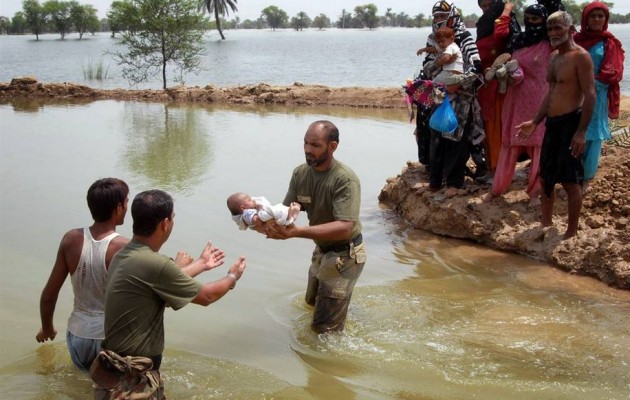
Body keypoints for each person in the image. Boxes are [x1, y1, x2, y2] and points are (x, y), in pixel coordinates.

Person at [93, 189, 246, 399]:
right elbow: (207, 296)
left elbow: (159, 288)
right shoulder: (154, 263)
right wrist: (232, 276)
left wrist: (200, 264)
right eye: (173, 218)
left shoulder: (125, 254)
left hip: (115, 371)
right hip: (133, 377)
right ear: (165, 223)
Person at [264, 120, 366, 334]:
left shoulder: (345, 180)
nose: (308, 150)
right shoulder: (300, 174)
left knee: (323, 330)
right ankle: (340, 308)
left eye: (315, 145)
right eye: (305, 144)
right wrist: (258, 216)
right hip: (322, 251)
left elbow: (345, 227)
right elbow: (285, 212)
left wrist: (297, 232)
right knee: (311, 304)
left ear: (332, 146)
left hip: (345, 255)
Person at [36, 178, 130, 371]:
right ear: (119, 207)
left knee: (83, 385)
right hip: (110, 336)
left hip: (78, 334)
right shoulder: (124, 247)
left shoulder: (71, 239)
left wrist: (47, 327)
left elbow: (49, 295)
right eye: (127, 201)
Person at [516, 11, 595, 240]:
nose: (553, 33)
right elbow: (550, 94)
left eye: (558, 28)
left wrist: (581, 132)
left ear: (571, 30)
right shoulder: (553, 58)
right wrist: (535, 121)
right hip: (552, 124)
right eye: (550, 29)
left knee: (571, 181)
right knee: (545, 178)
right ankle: (546, 224)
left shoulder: (581, 57)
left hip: (572, 123)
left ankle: (571, 233)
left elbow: (590, 96)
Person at [484, 4, 552, 207]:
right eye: (528, 18)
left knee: (539, 146)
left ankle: (535, 191)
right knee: (510, 143)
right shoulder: (517, 41)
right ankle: (497, 189)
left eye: (536, 19)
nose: (531, 23)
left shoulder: (550, 43)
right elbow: (501, 34)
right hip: (515, 99)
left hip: (540, 100)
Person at [574, 1, 625, 194]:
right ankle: (574, 176)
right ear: (585, 18)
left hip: (596, 96)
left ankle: (586, 178)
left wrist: (586, 85)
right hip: (573, 96)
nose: (596, 19)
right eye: (592, 15)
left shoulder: (609, 43)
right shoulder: (575, 40)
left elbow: (613, 73)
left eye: (600, 16)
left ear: (605, 19)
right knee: (574, 134)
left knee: (592, 137)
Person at [475, 0, 520, 184]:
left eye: (489, 5)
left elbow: (502, 33)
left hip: (497, 85)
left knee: (496, 127)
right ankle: (490, 167)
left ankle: (498, 170)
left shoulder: (503, 24)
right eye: (483, 6)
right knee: (486, 127)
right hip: (483, 85)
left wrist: (507, 10)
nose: (486, 10)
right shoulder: (483, 25)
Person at [227, 192, 301, 231]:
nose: (253, 200)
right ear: (243, 207)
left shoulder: (247, 213)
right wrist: (259, 212)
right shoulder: (247, 213)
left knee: (277, 215)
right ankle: (290, 213)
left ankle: (290, 215)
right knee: (268, 212)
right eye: (249, 200)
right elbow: (257, 221)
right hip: (266, 224)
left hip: (271, 225)